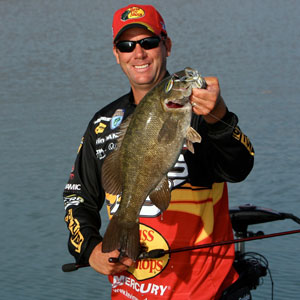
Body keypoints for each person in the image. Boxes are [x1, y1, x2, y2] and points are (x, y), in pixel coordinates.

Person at [63, 4, 255, 300]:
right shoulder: (102, 124)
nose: (138, 53)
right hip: (130, 293)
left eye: (148, 42)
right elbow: (78, 197)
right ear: (116, 54)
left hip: (204, 292)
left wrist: (220, 117)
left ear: (166, 45)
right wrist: (90, 250)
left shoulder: (203, 112)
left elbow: (240, 167)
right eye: (126, 45)